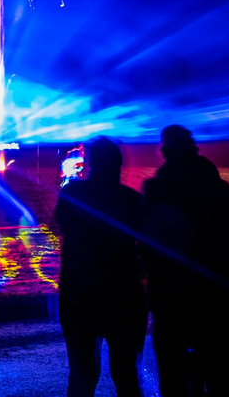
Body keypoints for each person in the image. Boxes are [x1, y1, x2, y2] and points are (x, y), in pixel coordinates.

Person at [142, 124, 229, 397]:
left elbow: (148, 244)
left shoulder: (154, 190)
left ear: (164, 152)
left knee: (173, 372)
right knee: (219, 366)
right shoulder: (218, 188)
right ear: (194, 148)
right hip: (216, 291)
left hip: (170, 293)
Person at [54, 136, 146, 397]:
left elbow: (58, 225)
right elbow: (147, 241)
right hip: (122, 294)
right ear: (118, 165)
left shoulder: (71, 193)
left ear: (91, 163)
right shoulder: (131, 199)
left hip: (77, 293)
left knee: (81, 375)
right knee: (127, 375)